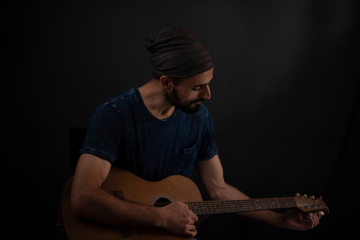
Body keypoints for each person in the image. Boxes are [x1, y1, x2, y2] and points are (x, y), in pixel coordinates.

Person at [70, 27, 323, 238]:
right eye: (197, 87)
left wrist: (277, 220)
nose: (208, 94)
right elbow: (82, 197)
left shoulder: (199, 118)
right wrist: (159, 217)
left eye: (208, 84)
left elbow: (219, 189)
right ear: (167, 82)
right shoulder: (113, 115)